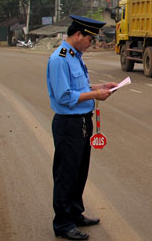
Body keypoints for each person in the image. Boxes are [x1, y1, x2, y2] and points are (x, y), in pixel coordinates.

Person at [46, 15, 118, 240]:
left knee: (80, 171)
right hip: (69, 123)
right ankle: (63, 223)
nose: (92, 44)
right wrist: (96, 95)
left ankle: (75, 213)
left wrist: (99, 86)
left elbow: (80, 87)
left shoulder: (75, 56)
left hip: (83, 122)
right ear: (78, 35)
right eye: (90, 39)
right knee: (66, 174)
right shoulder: (60, 58)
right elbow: (65, 95)